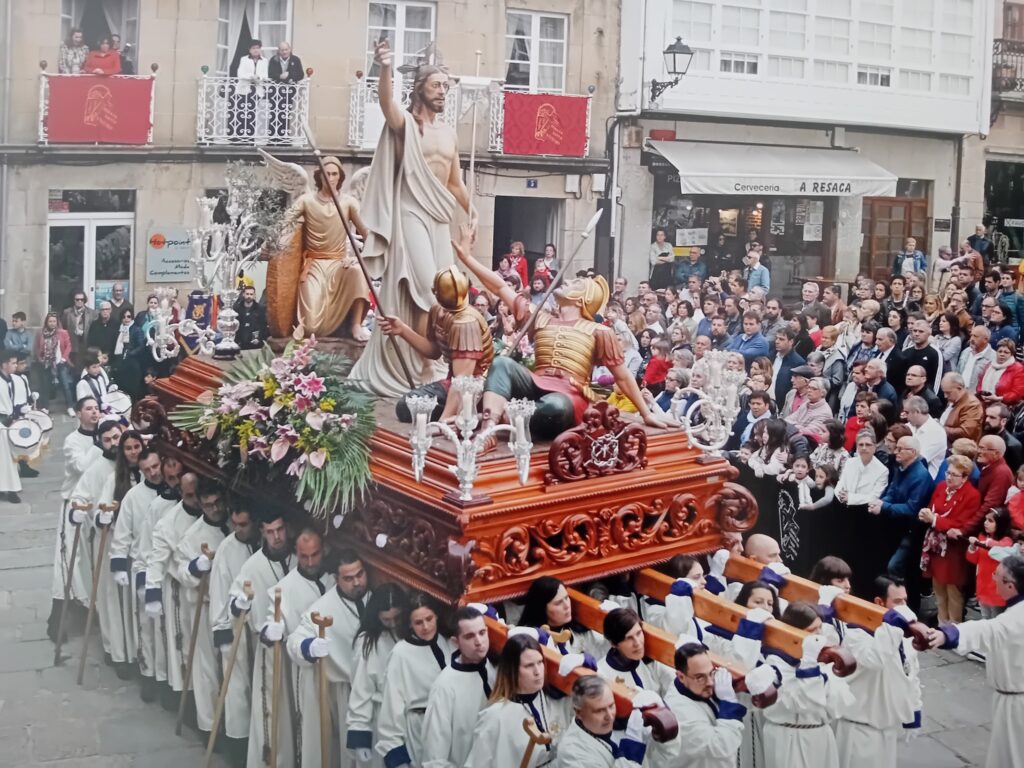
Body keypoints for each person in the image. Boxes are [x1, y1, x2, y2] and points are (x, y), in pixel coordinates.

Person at [350, 37, 474, 397]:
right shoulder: (405, 123)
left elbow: (455, 182)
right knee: (425, 285)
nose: (443, 92)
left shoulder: (449, 134)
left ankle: (432, 356)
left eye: (446, 87)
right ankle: (423, 363)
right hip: (411, 211)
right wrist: (386, 67)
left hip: (439, 215)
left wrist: (472, 209)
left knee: (447, 289)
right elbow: (386, 102)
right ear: (419, 89)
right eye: (436, 86)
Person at [456, 235, 665, 440]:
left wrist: (646, 414)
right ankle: (488, 430)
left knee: (556, 407)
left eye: (576, 283)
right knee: (502, 363)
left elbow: (623, 377)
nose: (568, 281)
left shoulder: (598, 331)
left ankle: (508, 417)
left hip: (568, 394)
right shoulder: (540, 318)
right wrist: (467, 258)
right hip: (535, 383)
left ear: (582, 299)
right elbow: (500, 287)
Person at [929, 554, 1024, 768]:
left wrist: (947, 635)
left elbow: (984, 630)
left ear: (1010, 585)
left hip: (1016, 707)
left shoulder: (1013, 619)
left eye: (996, 575)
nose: (993, 578)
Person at [256, 528, 335, 768]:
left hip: (337, 671)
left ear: (324, 550)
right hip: (307, 675)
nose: (310, 562)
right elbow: (272, 620)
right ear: (296, 554)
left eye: (315, 554)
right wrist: (271, 631)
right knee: (312, 736)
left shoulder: (334, 579)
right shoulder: (285, 588)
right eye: (304, 556)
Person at [287, 549, 370, 768]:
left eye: (360, 574)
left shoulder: (376, 599)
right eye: (348, 578)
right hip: (346, 692)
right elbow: (294, 641)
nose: (357, 583)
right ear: (336, 579)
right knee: (349, 756)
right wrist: (309, 646)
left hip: (375, 692)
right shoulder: (322, 609)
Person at [276, 155, 371, 341]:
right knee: (311, 327)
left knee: (358, 271)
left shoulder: (349, 203)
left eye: (334, 174)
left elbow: (368, 236)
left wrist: (359, 258)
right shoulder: (306, 200)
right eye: (326, 174)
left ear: (340, 177)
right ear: (319, 176)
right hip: (314, 266)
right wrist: (274, 242)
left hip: (339, 265)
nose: (330, 178)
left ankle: (355, 325)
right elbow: (285, 223)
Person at [226, 508, 294, 767]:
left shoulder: (299, 558)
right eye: (270, 532)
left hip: (296, 647)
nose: (277, 537)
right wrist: (240, 603)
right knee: (273, 709)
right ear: (263, 532)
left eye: (280, 530)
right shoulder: (253, 566)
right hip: (269, 648)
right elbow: (234, 601)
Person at [837, 576, 922, 768]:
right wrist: (892, 625)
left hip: (888, 730)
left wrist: (914, 711)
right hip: (859, 731)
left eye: (905, 600)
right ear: (879, 602)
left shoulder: (900, 634)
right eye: (898, 602)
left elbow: (910, 675)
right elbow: (875, 659)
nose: (904, 607)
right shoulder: (856, 634)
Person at [466, 631, 573, 768]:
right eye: (529, 665)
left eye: (540, 662)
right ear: (512, 670)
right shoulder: (494, 717)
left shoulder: (557, 700)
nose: (537, 671)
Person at [205, 498, 261, 761]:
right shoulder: (227, 550)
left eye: (244, 524)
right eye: (235, 524)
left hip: (257, 629)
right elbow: (219, 590)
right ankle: (237, 746)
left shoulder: (261, 545)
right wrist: (221, 626)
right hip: (234, 627)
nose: (238, 529)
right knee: (237, 691)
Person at [143, 473, 204, 708]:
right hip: (180, 593)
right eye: (189, 495)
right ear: (181, 493)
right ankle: (183, 697)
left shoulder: (210, 515)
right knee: (183, 646)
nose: (195, 500)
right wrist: (152, 592)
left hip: (205, 592)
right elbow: (156, 559)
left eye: (197, 495)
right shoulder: (168, 523)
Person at [107, 445, 164, 697]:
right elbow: (122, 533)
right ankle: (148, 674)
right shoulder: (133, 497)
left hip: (165, 570)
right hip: (143, 566)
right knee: (145, 626)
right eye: (147, 469)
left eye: (156, 466)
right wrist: (119, 564)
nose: (153, 473)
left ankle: (166, 677)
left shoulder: (172, 493)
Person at [45, 396, 101, 640]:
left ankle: (92, 608)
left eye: (97, 408)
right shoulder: (72, 441)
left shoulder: (105, 437)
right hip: (74, 507)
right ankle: (55, 621)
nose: (94, 413)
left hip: (95, 508)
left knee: (93, 560)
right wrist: (100, 443)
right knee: (67, 559)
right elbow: (82, 467)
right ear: (79, 413)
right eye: (89, 409)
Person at [420, 605, 495, 768]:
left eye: (482, 633)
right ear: (456, 642)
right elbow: (434, 756)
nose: (479, 642)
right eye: (469, 636)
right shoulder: (445, 686)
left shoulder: (494, 668)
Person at [346, 584, 408, 764]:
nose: (393, 624)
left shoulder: (409, 633)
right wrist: (360, 736)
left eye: (397, 617)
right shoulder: (367, 643)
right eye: (386, 619)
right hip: (381, 718)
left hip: (408, 718)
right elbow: (361, 691)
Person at [918, 454, 981, 623]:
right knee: (938, 588)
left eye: (954, 474)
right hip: (935, 545)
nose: (949, 477)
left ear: (965, 477)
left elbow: (960, 523)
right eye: (948, 473)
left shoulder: (972, 495)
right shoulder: (941, 487)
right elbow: (932, 508)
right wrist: (926, 514)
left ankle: (954, 628)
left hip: (953, 550)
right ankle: (942, 624)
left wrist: (934, 520)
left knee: (953, 591)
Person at [662, 642, 746, 768]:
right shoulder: (679, 711)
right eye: (700, 677)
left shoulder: (699, 688)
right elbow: (721, 746)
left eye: (711, 673)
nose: (710, 682)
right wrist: (728, 702)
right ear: (681, 677)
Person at [555, 676, 651, 768]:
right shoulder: (572, 754)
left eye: (611, 706)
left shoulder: (603, 727)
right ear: (579, 712)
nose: (610, 716)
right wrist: (632, 746)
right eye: (599, 711)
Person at [966, 508, 1014, 619]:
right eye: (985, 519)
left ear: (1001, 524)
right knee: (985, 617)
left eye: (990, 521)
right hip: (982, 584)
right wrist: (973, 546)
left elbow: (1001, 546)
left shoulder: (1007, 541)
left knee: (996, 618)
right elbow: (973, 559)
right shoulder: (982, 536)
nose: (985, 523)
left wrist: (985, 543)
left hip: (997, 588)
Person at [0, 350, 28, 503]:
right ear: (4, 364)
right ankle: (6, 489)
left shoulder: (15, 380)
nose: (15, 365)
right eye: (13, 363)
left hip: (9, 422)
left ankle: (11, 488)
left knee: (10, 458)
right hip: (1, 422)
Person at [836, 429, 890, 506]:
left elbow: (874, 497)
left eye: (868, 445)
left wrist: (850, 498)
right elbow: (840, 484)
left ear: (875, 447)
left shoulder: (882, 471)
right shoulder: (849, 462)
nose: (864, 448)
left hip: (864, 509)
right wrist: (841, 496)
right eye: (861, 445)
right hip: (842, 504)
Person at [267, 41, 304, 141]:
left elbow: (300, 75)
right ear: (279, 51)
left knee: (285, 114)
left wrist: (290, 75)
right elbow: (270, 74)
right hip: (275, 91)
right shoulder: (273, 60)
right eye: (282, 50)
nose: (284, 52)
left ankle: (284, 139)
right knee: (274, 113)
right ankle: (272, 139)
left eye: (286, 49)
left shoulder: (295, 59)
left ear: (290, 49)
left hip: (289, 92)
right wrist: (280, 76)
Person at [905, 396, 946, 478]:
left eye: (907, 412)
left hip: (924, 478)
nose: (905, 416)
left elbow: (918, 459)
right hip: (906, 473)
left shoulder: (937, 432)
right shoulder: (909, 426)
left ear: (917, 411)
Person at [234, 40, 268, 140]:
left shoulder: (264, 60)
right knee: (242, 113)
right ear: (249, 50)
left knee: (252, 114)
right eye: (253, 48)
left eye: (257, 48)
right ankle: (240, 138)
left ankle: (250, 138)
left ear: (260, 49)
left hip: (257, 90)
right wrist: (251, 77)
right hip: (244, 89)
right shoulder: (244, 59)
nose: (256, 50)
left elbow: (266, 75)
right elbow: (240, 74)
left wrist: (259, 77)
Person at [939, 371, 984, 444]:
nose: (945, 396)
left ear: (959, 388)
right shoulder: (954, 400)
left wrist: (941, 429)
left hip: (961, 447)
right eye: (944, 392)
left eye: (948, 393)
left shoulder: (972, 405)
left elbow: (966, 432)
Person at [977, 339, 1024, 407]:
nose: (1002, 354)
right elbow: (979, 383)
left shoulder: (1018, 369)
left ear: (1011, 354)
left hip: (1005, 407)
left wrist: (999, 398)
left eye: (1006, 352)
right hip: (984, 403)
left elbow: (1017, 393)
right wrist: (981, 394)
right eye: (1000, 351)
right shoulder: (989, 365)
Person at [60, 292, 97, 372]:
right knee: (74, 370)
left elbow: (95, 330)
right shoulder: (67, 312)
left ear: (84, 300)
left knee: (86, 370)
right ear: (74, 300)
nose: (79, 301)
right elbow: (63, 328)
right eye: (77, 299)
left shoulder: (92, 313)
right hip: (73, 345)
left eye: (82, 299)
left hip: (86, 345)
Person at [983, 402, 1024, 472]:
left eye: (992, 417)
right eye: (986, 416)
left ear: (1003, 421)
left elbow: (1013, 473)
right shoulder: (983, 434)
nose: (987, 420)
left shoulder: (1012, 446)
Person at [770, 328, 805, 405]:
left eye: (781, 339)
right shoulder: (770, 355)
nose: (777, 341)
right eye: (776, 338)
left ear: (791, 342)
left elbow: (795, 387)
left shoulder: (798, 362)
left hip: (782, 403)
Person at [958, 324, 995, 391]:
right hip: (960, 392)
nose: (971, 339)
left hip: (977, 395)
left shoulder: (993, 357)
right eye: (971, 335)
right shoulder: (966, 351)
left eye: (975, 336)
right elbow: (957, 372)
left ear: (985, 340)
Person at [235, 283, 269, 349]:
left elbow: (263, 326)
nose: (249, 296)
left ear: (254, 295)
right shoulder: (237, 308)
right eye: (247, 294)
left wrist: (259, 338)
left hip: (256, 344)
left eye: (251, 294)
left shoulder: (260, 309)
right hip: (240, 344)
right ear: (243, 294)